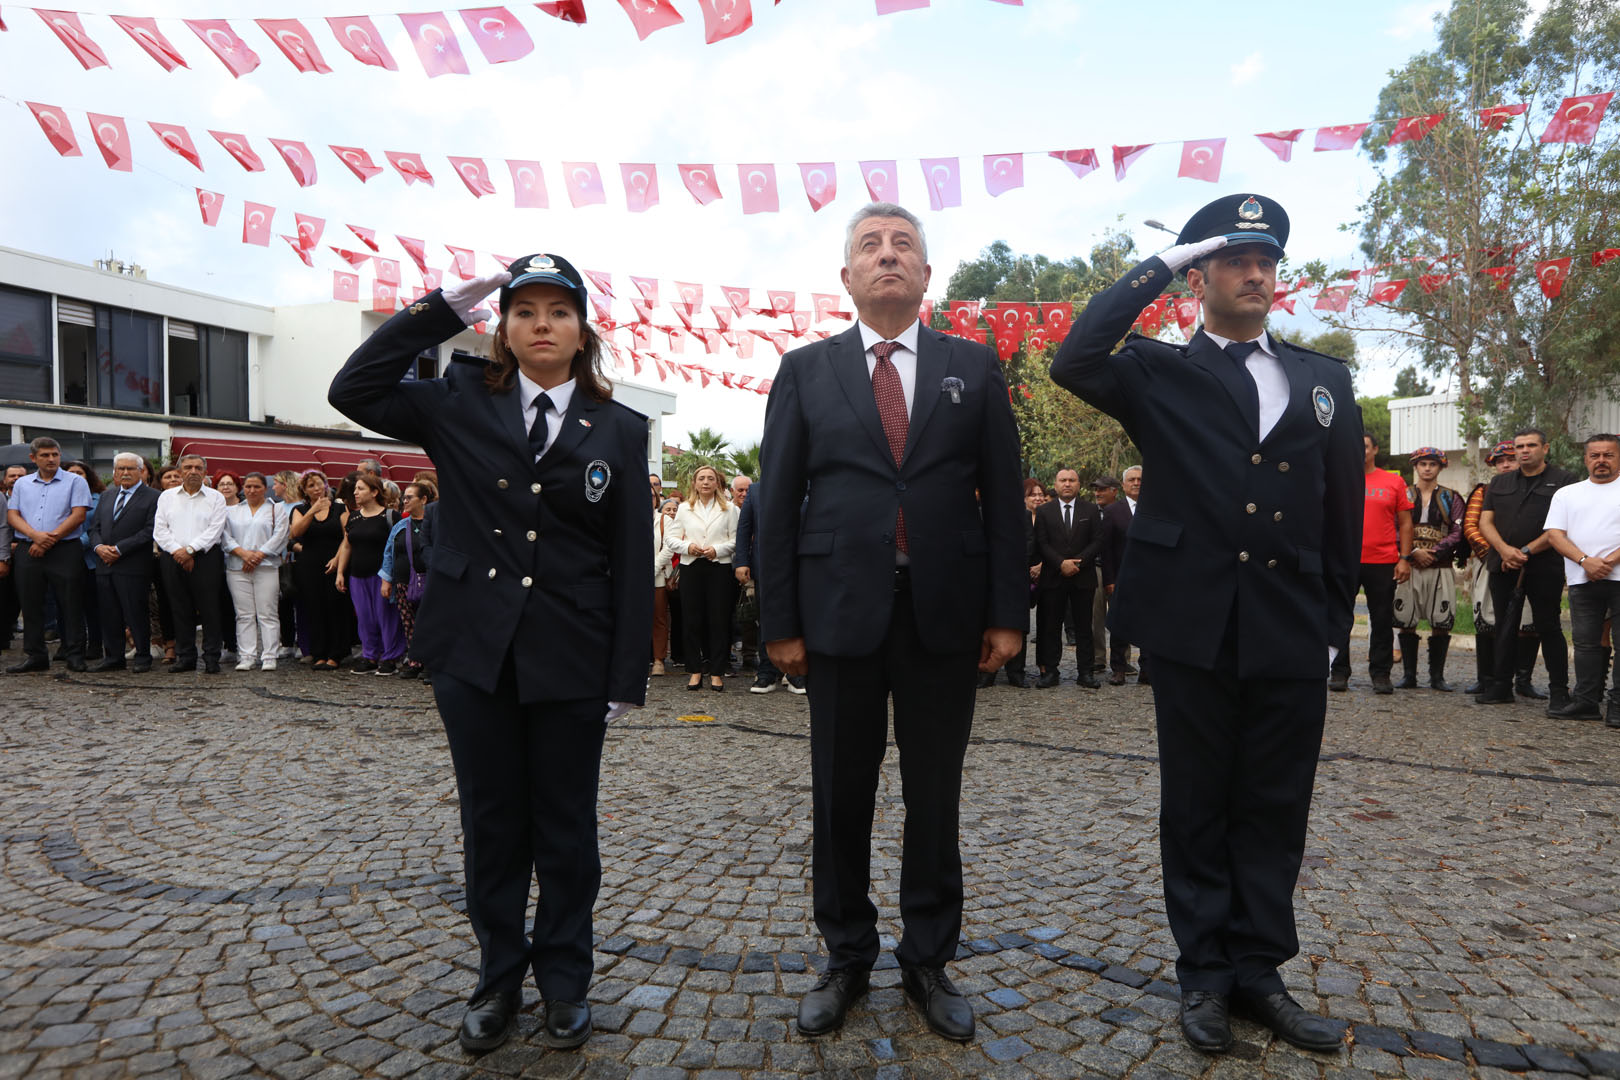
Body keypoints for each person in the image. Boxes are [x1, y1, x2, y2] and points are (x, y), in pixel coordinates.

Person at [1051, 193, 1362, 1055]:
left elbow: (1336, 512)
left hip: (1292, 623)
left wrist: (1334, 624)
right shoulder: (1156, 370)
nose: (1256, 271)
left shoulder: (1323, 379)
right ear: (1203, 275)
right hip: (1192, 621)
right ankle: (1204, 978)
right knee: (1196, 804)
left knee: (1274, 806)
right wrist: (1169, 259)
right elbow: (1072, 357)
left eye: (1266, 259)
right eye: (1235, 259)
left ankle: (1259, 971)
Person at [329, 253, 652, 1054]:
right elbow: (354, 391)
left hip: (571, 655)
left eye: (559, 312)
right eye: (525, 312)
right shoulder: (461, 398)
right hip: (474, 653)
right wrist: (438, 309)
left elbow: (630, 557)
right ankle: (499, 977)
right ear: (503, 329)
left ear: (583, 332)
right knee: (494, 824)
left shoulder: (620, 427)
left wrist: (626, 674)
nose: (542, 325)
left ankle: (566, 982)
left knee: (568, 831)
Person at [759, 203, 1025, 1043]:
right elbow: (775, 506)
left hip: (945, 614)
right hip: (837, 615)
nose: (886, 256)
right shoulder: (805, 371)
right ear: (846, 276)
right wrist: (780, 622)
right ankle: (845, 955)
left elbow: (1006, 501)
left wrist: (1007, 614)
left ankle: (927, 959)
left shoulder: (973, 369)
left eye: (902, 245)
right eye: (869, 246)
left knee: (934, 796)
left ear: (925, 275)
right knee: (841, 794)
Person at [1476, 427, 1577, 711]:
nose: (1524, 450)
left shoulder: (1565, 481)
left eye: (1531, 445)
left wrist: (1526, 550)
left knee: (1548, 626)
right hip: (1503, 564)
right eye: (1519, 446)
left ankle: (1559, 692)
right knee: (1505, 626)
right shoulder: (1499, 482)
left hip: (1545, 566)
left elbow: (1563, 526)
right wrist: (1506, 550)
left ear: (1545, 449)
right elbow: (1486, 522)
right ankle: (1501, 687)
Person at [1543, 434, 1620, 724]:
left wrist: (1608, 561)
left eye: (1608, 455)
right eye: (1595, 455)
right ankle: (1586, 701)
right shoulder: (1568, 493)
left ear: (1618, 457)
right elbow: (1554, 534)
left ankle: (1618, 705)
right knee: (1585, 643)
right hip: (1582, 579)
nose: (1601, 460)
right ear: (1586, 459)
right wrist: (1586, 561)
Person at [1328, 434, 1412, 694]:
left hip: (1383, 560)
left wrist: (1404, 558)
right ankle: (1339, 672)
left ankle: (1381, 674)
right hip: (1345, 560)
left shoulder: (1394, 481)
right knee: (1340, 618)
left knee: (1382, 619)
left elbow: (1406, 523)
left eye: (1364, 446)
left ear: (1375, 449)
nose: (1360, 451)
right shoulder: (1339, 479)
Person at [6, 438, 92, 672]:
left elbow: (78, 515)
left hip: (65, 549)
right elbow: (13, 515)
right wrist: (35, 536)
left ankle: (75, 654)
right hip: (28, 548)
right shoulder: (22, 484)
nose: (51, 459)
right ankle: (36, 655)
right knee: (31, 604)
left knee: (70, 603)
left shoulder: (75, 481)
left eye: (55, 454)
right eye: (45, 455)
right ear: (33, 458)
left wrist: (48, 539)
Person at [1463, 441, 1541, 694]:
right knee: (1487, 620)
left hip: (1530, 563)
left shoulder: (1537, 488)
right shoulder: (1484, 490)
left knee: (1529, 622)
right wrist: (1498, 554)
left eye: (1510, 459)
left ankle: (1523, 680)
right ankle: (1487, 678)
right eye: (1500, 461)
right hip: (1491, 564)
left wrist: (1521, 555)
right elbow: (1471, 526)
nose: (1506, 464)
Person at [1392, 448, 1464, 690]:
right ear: (1415, 466)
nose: (1427, 468)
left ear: (1440, 468)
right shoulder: (1403, 494)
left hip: (1439, 564)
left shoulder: (1451, 497)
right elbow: (1391, 524)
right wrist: (1411, 552)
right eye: (1422, 464)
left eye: (1432, 464)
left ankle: (1437, 677)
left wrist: (1434, 552)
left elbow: (1458, 531)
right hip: (1409, 564)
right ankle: (1409, 675)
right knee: (1405, 618)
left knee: (1441, 620)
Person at [153, 454, 229, 674]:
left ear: (205, 472)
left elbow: (215, 530)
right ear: (180, 471)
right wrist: (178, 551)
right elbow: (160, 529)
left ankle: (212, 657)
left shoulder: (215, 498)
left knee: (209, 609)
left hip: (205, 557)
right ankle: (185, 656)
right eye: (188, 467)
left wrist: (190, 550)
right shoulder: (166, 497)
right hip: (172, 556)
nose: (193, 471)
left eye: (198, 467)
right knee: (179, 607)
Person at [667, 465, 738, 691]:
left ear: (717, 483)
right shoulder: (685, 508)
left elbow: (737, 540)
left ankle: (716, 672)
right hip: (692, 567)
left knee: (718, 620)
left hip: (719, 568)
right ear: (695, 483)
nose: (706, 482)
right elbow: (671, 538)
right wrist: (689, 546)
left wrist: (718, 550)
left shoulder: (730, 509)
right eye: (701, 478)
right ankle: (695, 670)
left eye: (710, 478)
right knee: (691, 621)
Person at [87, 453, 160, 672]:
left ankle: (142, 656)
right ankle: (113, 657)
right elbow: (94, 528)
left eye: (130, 469)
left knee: (135, 613)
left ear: (141, 471)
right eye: (121, 469)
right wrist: (99, 547)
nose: (125, 473)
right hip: (105, 564)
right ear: (114, 473)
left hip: (133, 564)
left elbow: (150, 530)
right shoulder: (107, 496)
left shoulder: (154, 497)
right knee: (109, 614)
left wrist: (120, 549)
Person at [1033, 468, 1104, 689]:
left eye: (1072, 480)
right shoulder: (1045, 511)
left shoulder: (1091, 510)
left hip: (1083, 577)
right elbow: (1041, 543)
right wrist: (1060, 563)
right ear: (1055, 485)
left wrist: (1077, 562)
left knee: (1084, 627)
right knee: (1051, 627)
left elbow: (1097, 541)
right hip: (1053, 577)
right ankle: (1051, 672)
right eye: (1063, 480)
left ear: (1079, 485)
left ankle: (1086, 672)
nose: (1067, 484)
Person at [335, 472, 405, 675]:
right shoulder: (354, 517)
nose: (355, 493)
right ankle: (370, 655)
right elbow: (347, 546)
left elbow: (395, 549)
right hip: (357, 575)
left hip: (381, 576)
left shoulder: (390, 516)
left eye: (361, 489)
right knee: (365, 618)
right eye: (355, 489)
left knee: (387, 617)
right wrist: (340, 572)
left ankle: (391, 657)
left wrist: (389, 577)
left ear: (374, 492)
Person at [223, 473, 290, 671]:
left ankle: (269, 655)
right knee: (244, 614)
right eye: (248, 486)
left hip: (266, 566)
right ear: (243, 488)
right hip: (237, 566)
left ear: (265, 488)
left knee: (267, 612)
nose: (252, 490)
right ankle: (247, 655)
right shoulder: (232, 511)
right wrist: (244, 554)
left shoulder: (275, 509)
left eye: (257, 487)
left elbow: (280, 536)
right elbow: (225, 536)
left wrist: (259, 555)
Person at [290, 472, 349, 670]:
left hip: (334, 562)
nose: (316, 488)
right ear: (304, 490)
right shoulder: (300, 509)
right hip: (309, 564)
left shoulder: (340, 507)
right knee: (314, 608)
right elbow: (296, 533)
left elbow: (346, 537)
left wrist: (338, 558)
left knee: (335, 606)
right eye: (311, 486)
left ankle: (336, 653)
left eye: (319, 484)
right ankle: (319, 653)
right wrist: (312, 510)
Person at [378, 478, 436, 680]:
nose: (405, 501)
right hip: (403, 583)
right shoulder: (401, 525)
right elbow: (388, 552)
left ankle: (431, 664)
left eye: (410, 497)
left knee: (429, 623)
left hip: (430, 583)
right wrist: (386, 580)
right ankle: (415, 662)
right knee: (409, 623)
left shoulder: (436, 523)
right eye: (404, 497)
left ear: (424, 499)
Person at [1103, 466, 1147, 685]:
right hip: (1121, 577)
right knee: (1120, 625)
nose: (1137, 482)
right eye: (1132, 479)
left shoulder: (1155, 508)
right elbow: (1107, 549)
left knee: (1150, 626)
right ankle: (1118, 669)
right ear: (1123, 485)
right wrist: (1109, 580)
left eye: (1140, 479)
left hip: (1150, 578)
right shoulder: (1113, 511)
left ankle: (1147, 669)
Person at [64, 460, 107, 663]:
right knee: (66, 605)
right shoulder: (58, 496)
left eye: (79, 473)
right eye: (70, 472)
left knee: (92, 606)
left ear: (87, 476)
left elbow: (96, 528)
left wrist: (71, 545)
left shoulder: (97, 499)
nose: (75, 476)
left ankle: (95, 644)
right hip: (62, 559)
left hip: (89, 558)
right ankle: (68, 645)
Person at [1087, 476, 1120, 673]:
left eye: (1102, 489)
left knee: (1119, 615)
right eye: (1096, 490)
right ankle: (1098, 658)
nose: (1098, 493)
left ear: (1115, 491)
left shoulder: (1125, 511)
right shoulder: (1091, 512)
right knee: (1095, 616)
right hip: (1097, 568)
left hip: (1119, 570)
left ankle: (1122, 660)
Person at [652, 496, 678, 676]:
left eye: (652, 496)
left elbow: (669, 547)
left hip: (657, 576)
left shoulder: (664, 520)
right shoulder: (626, 516)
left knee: (659, 619)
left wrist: (651, 569)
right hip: (631, 577)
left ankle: (658, 660)